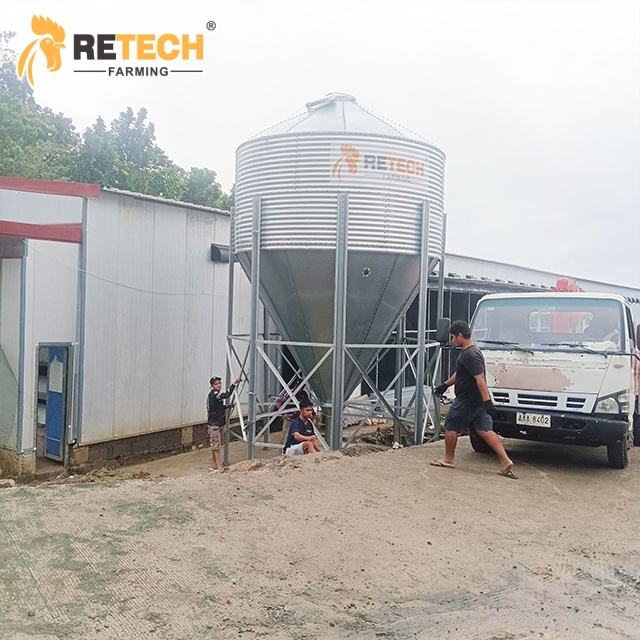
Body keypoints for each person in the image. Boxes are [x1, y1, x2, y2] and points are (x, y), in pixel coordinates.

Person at [431, 321, 517, 479]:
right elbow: (460, 373)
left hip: (467, 399)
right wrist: (445, 385)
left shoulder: (470, 355)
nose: (452, 341)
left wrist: (487, 401)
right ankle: (505, 461)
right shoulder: (470, 352)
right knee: (484, 430)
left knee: (450, 425)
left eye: (453, 337)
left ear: (460, 335)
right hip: (477, 400)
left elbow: (480, 378)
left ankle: (448, 459)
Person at [207, 376, 240, 471]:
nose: (218, 385)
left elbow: (218, 408)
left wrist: (228, 406)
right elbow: (227, 395)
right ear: (212, 386)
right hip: (214, 425)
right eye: (216, 384)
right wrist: (233, 384)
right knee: (216, 447)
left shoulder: (214, 395)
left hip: (216, 424)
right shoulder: (215, 394)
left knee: (215, 446)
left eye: (219, 383)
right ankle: (218, 467)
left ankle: (214, 465)